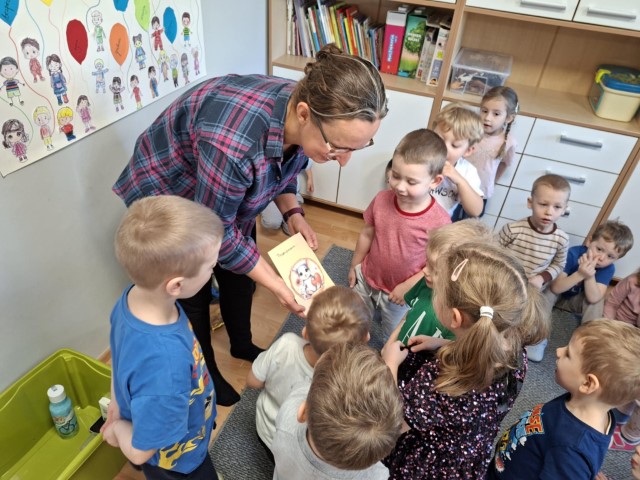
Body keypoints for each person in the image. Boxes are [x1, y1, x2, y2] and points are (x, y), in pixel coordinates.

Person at [112, 44, 388, 406]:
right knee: (193, 291)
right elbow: (217, 230)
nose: (344, 161)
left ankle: (241, 343)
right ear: (304, 115)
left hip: (220, 194)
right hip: (171, 191)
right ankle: (208, 371)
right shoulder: (234, 145)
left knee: (240, 278)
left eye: (357, 147)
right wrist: (276, 284)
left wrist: (293, 213)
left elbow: (281, 170)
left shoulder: (302, 107)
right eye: (337, 147)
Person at [382, 242, 549, 479]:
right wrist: (443, 343)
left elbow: (395, 422)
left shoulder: (441, 377)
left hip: (428, 466)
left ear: (455, 317)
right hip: (467, 456)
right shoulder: (515, 349)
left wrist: (390, 364)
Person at [102, 195, 222, 479]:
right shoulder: (165, 367)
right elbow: (141, 453)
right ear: (176, 285)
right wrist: (116, 428)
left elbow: (118, 358)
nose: (213, 270)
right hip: (179, 461)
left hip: (181, 416)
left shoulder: (131, 299)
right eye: (211, 267)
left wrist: (116, 405)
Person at [486, 319, 640, 480]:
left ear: (588, 383)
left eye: (568, 354)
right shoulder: (583, 404)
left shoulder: (572, 450)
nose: (558, 351)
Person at [349, 129, 450, 340]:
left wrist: (407, 287)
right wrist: (355, 265)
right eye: (395, 176)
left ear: (435, 181)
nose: (400, 187)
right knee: (355, 322)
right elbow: (367, 233)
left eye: (411, 182)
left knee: (392, 336)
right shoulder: (381, 199)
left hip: (400, 294)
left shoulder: (440, 222)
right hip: (366, 278)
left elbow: (436, 265)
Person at [246, 285, 370, 456]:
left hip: (264, 426)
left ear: (305, 332)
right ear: (364, 341)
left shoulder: (286, 343)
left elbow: (252, 381)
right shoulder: (344, 382)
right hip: (294, 444)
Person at [271, 343, 403, 479]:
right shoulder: (377, 475)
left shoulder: (288, 418)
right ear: (381, 453)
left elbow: (301, 389)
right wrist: (393, 364)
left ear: (303, 412)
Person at [385, 219, 495, 351]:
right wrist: (389, 344)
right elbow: (408, 315)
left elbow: (461, 349)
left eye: (435, 270)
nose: (425, 271)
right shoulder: (426, 284)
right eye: (427, 262)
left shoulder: (464, 316)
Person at [499, 173, 570, 361]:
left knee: (534, 315)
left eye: (557, 207)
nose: (549, 212)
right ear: (530, 203)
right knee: (504, 311)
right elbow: (495, 251)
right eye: (543, 204)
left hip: (536, 288)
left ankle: (536, 340)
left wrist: (542, 278)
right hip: (508, 282)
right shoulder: (513, 229)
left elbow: (559, 264)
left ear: (564, 209)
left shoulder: (561, 239)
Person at [549, 220, 634, 324]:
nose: (601, 258)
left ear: (616, 259)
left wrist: (589, 276)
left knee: (598, 301)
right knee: (548, 290)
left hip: (575, 302)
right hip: (557, 296)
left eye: (610, 256)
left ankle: (590, 332)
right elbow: (555, 288)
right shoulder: (573, 253)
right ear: (589, 242)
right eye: (599, 249)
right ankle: (537, 325)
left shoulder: (608, 268)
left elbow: (594, 298)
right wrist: (580, 274)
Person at [462, 86, 519, 219]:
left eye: (496, 114)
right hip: (458, 186)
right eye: (484, 111)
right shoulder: (470, 131)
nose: (487, 118)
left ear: (509, 118)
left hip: (480, 192)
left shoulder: (509, 142)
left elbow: (504, 164)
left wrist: (492, 182)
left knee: (467, 224)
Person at [430, 102, 484, 219]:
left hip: (439, 226)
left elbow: (475, 211)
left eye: (454, 145)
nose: (443, 147)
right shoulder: (418, 154)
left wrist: (459, 180)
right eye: (439, 138)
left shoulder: (467, 171)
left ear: (467, 151)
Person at [261, 164, 313, 235]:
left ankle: (286, 214)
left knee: (292, 230)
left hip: (292, 193)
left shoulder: (298, 160)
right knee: (272, 222)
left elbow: (307, 162)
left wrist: (310, 178)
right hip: (270, 195)